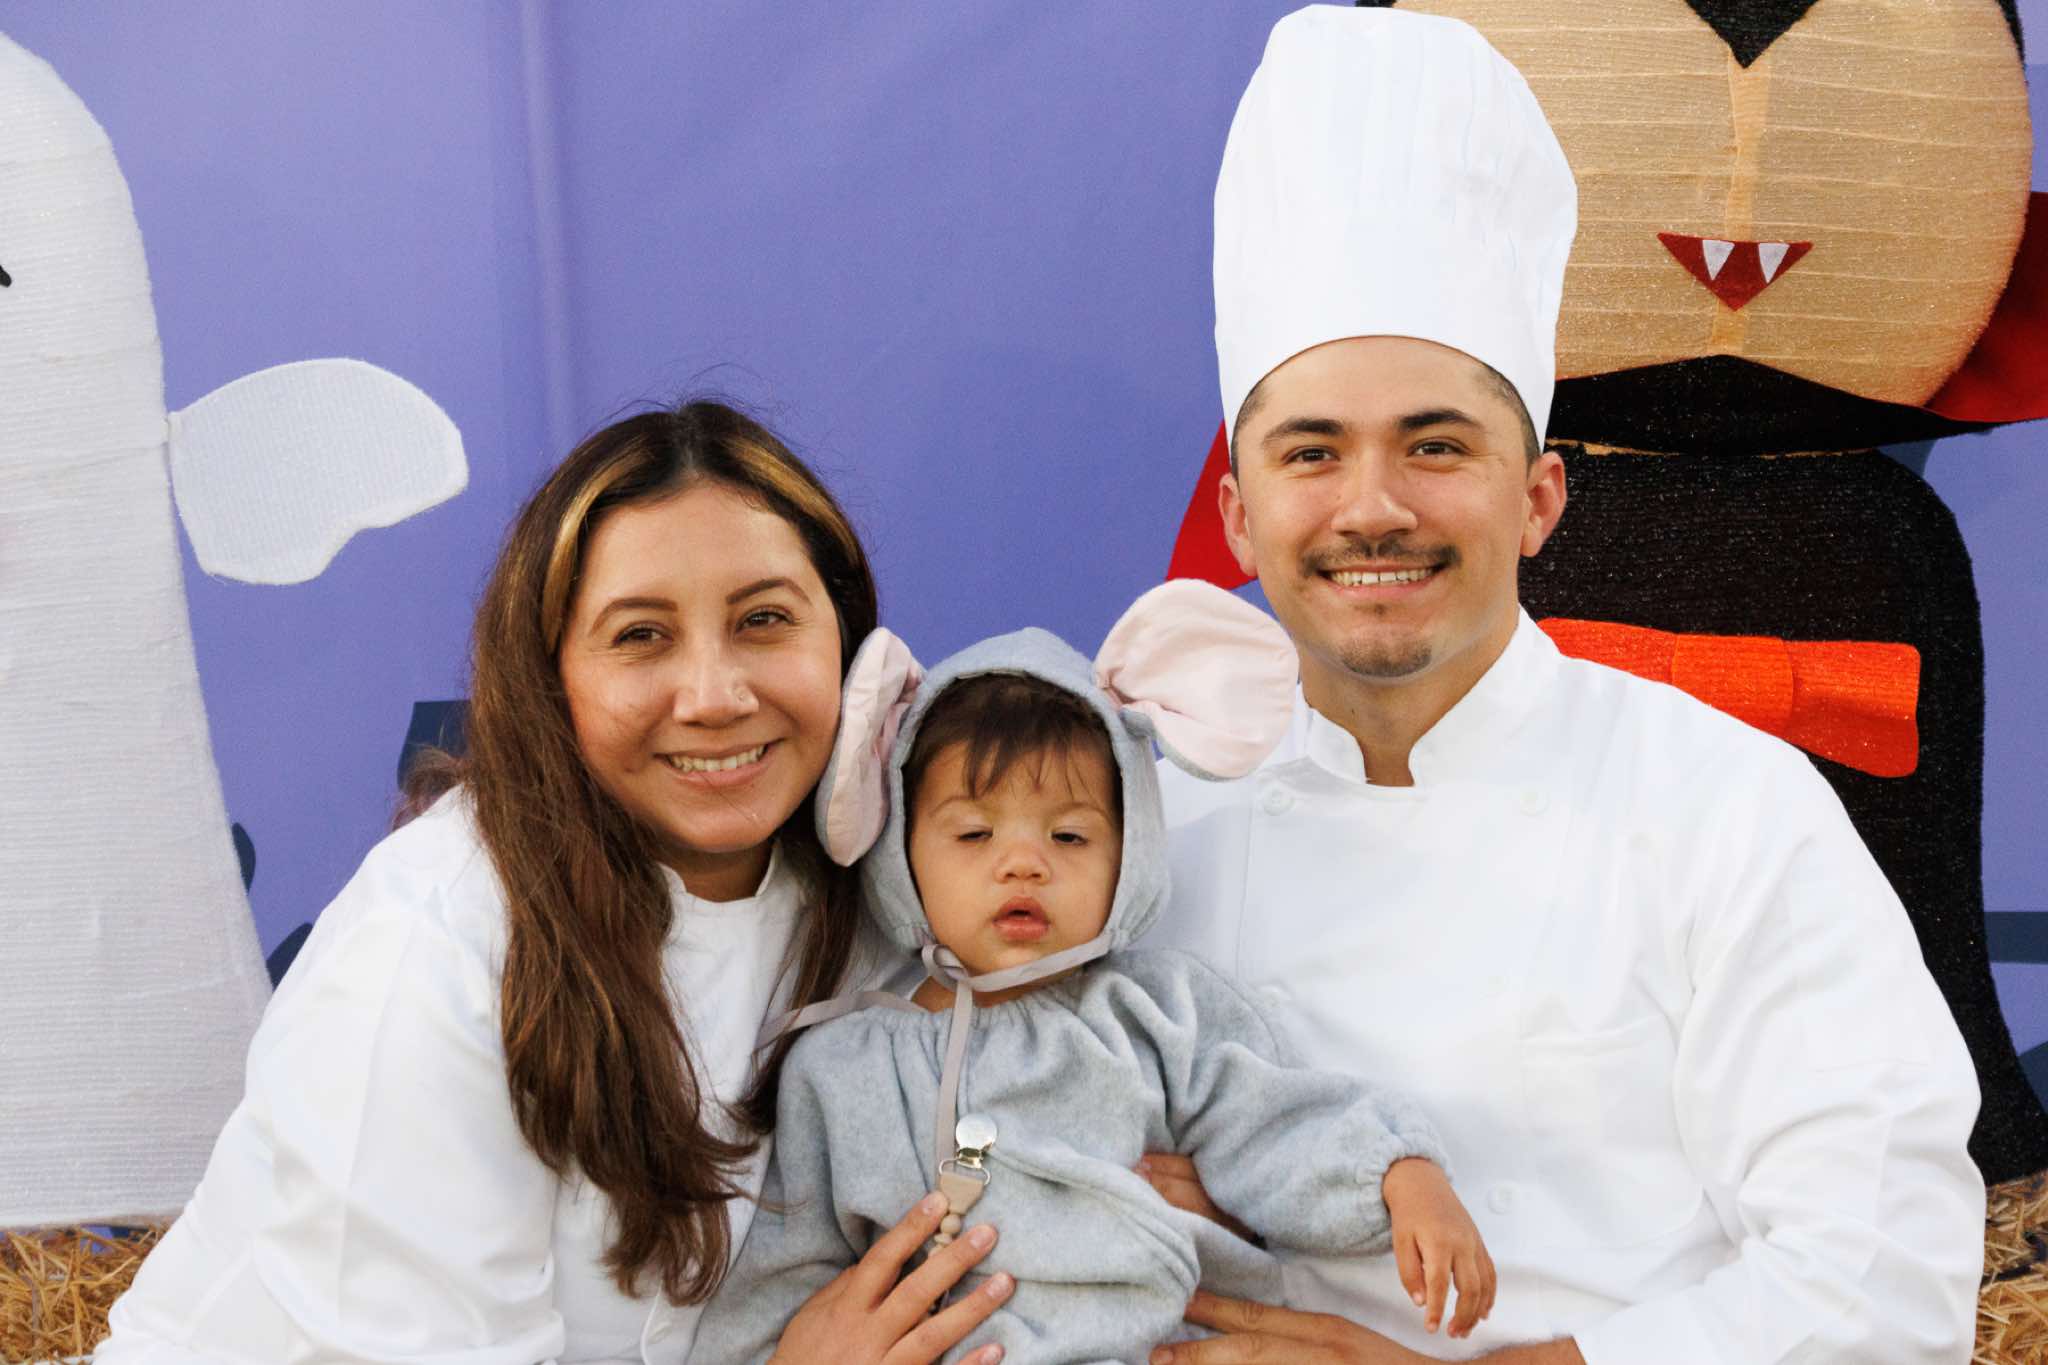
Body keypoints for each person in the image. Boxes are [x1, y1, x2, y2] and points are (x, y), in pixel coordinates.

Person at [1140, 8, 1985, 1365]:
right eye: (1311, 453)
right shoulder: (1135, 824)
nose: (1372, 506)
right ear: (1238, 516)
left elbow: (1884, 1280)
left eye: (1435, 447)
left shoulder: (1722, 808)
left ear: (1537, 499)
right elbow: (974, 1128)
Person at [97, 400, 1016, 1365]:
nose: (714, 696)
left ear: (853, 651)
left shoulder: (882, 887)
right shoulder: (429, 947)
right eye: (641, 635)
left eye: (764, 620)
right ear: (550, 679)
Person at [691, 581, 1495, 1365]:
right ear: (901, 850)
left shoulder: (1163, 1011)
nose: (1023, 864)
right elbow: (784, 1276)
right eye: (973, 834)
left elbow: (1276, 1121)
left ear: (1130, 850)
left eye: (1069, 836)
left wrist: (1399, 1176)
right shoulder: (840, 1069)